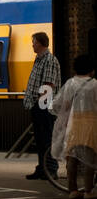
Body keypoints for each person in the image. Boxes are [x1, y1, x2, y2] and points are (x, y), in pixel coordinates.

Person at [50, 53, 97, 199]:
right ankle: (88, 191)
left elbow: (61, 105)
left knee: (72, 157)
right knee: (89, 158)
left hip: (73, 123)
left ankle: (73, 190)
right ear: (91, 69)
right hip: (91, 123)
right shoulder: (95, 84)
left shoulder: (70, 83)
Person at [24, 32, 60, 180]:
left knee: (47, 138)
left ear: (40, 43)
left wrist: (40, 105)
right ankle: (42, 168)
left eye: (34, 42)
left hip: (44, 106)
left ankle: (50, 169)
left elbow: (48, 85)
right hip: (37, 105)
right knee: (40, 139)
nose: (32, 45)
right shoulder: (39, 60)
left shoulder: (49, 60)